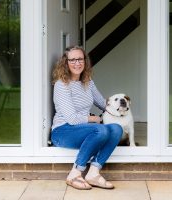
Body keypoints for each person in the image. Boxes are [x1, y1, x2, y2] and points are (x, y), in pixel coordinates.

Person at [51, 45, 123, 190]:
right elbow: (72, 119)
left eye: (80, 59)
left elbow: (103, 104)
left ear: (85, 61)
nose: (77, 63)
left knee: (116, 129)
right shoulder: (62, 85)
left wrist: (120, 104)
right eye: (72, 60)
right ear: (65, 62)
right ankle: (75, 173)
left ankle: (94, 173)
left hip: (84, 129)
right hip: (62, 131)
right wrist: (95, 119)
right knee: (100, 130)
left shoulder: (88, 82)